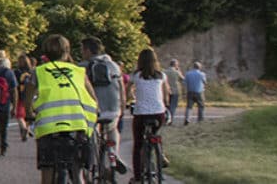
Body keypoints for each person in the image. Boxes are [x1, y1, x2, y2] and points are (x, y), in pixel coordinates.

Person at [23, 34, 98, 184]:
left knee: (47, 170)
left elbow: (28, 99)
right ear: (67, 51)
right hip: (77, 125)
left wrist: (29, 113)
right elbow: (93, 99)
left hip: (48, 127)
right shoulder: (78, 71)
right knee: (77, 173)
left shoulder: (38, 72)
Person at [81, 37, 129, 174]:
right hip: (113, 108)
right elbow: (121, 89)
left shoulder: (82, 67)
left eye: (83, 50)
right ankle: (114, 153)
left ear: (88, 50)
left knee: (91, 134)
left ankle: (92, 165)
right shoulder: (114, 65)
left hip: (94, 110)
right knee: (113, 130)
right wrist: (122, 107)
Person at [128, 49, 172, 171]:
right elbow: (166, 94)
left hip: (141, 113)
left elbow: (127, 90)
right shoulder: (162, 75)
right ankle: (160, 152)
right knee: (156, 133)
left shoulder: (136, 75)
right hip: (158, 112)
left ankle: (137, 178)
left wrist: (131, 97)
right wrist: (165, 104)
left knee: (138, 145)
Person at [0, 49, 19, 157]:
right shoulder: (9, 72)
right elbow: (14, 90)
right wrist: (14, 106)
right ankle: (3, 147)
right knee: (3, 127)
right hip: (5, 102)